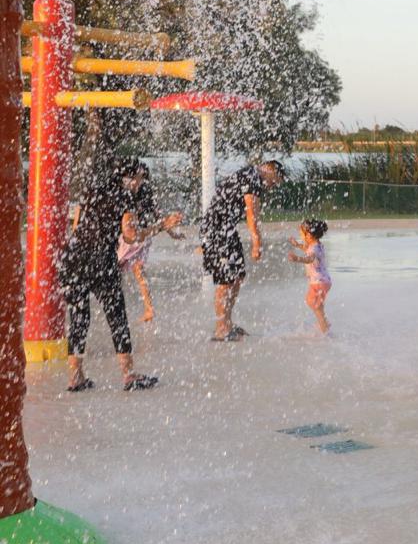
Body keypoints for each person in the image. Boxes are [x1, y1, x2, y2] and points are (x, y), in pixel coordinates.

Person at [63, 158, 181, 392]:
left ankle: (75, 377)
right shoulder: (124, 197)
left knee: (79, 318)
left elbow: (76, 225)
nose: (139, 183)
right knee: (116, 316)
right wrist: (162, 226)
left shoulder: (92, 191)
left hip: (73, 258)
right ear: (128, 177)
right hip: (100, 260)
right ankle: (129, 375)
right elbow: (130, 236)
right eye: (138, 178)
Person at [202, 160, 285, 342]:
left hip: (226, 229)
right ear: (270, 171)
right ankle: (221, 328)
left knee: (237, 276)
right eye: (274, 181)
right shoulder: (253, 178)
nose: (272, 186)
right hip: (216, 230)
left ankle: (227, 322)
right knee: (225, 280)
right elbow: (251, 215)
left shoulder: (251, 175)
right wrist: (257, 243)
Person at [117, 162, 183, 322]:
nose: (138, 182)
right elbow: (159, 216)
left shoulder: (135, 193)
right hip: (139, 237)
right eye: (137, 178)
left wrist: (171, 232)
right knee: (137, 273)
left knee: (124, 272)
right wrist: (170, 230)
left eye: (140, 178)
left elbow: (157, 215)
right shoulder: (137, 192)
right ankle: (148, 309)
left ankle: (138, 309)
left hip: (135, 238)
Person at [287, 218, 332, 334]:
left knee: (312, 301)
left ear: (309, 235)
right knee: (317, 304)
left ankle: (324, 325)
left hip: (318, 282)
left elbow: (310, 258)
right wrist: (297, 245)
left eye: (302, 233)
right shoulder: (316, 245)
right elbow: (307, 248)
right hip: (323, 281)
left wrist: (297, 258)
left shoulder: (315, 248)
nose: (301, 235)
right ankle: (323, 321)